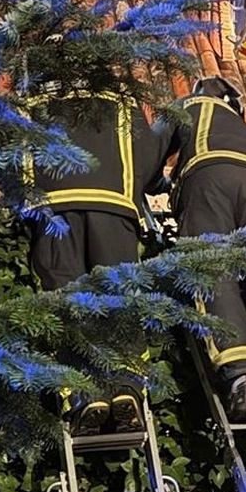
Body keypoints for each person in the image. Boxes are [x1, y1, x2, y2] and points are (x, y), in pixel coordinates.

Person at [151, 76, 246, 423]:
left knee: (214, 274)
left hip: (207, 182)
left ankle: (243, 382)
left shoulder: (188, 107)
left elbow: (149, 151)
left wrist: (159, 182)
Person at [27, 87, 161, 434]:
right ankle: (126, 386)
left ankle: (84, 395)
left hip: (53, 210)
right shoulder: (121, 100)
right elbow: (146, 153)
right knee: (119, 295)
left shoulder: (32, 102)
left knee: (66, 298)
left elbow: (12, 158)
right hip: (112, 206)